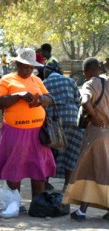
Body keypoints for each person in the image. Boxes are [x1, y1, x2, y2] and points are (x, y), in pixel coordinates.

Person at [0, 48, 56, 210]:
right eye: (24, 66)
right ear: (17, 65)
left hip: (37, 133)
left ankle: (38, 203)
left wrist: (41, 99)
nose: (27, 70)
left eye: (30, 67)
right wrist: (18, 96)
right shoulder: (6, 80)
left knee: (38, 168)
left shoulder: (36, 80)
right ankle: (15, 203)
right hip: (15, 132)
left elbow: (50, 99)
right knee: (15, 168)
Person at [63, 57, 109, 222]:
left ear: (86, 72)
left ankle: (82, 212)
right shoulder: (107, 83)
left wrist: (95, 116)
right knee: (104, 171)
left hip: (96, 133)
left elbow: (84, 101)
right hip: (108, 133)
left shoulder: (90, 84)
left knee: (89, 171)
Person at [43, 61, 83, 192]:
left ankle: (46, 183)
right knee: (71, 152)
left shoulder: (44, 84)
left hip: (54, 122)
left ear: (48, 72)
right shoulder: (70, 81)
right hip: (73, 119)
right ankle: (67, 185)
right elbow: (78, 100)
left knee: (51, 151)